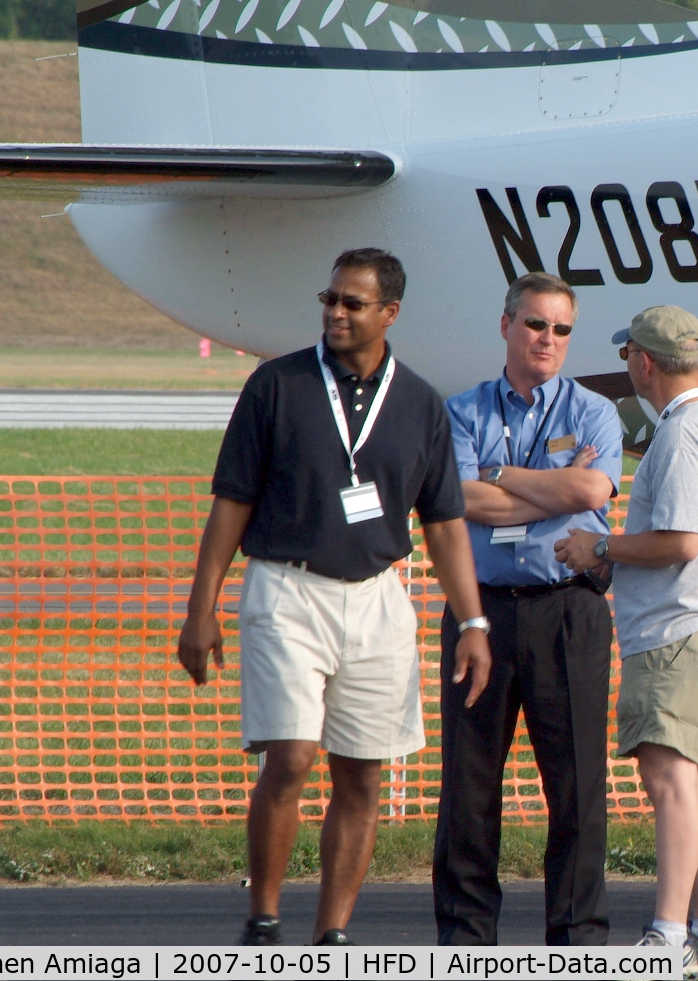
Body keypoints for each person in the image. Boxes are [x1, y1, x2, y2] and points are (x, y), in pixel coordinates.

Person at [178, 248, 492, 947]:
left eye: (353, 303)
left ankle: (332, 935)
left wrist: (472, 620)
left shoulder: (420, 402)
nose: (336, 313)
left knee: (362, 774)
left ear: (390, 314)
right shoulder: (276, 385)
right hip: (288, 588)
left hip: (379, 597)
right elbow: (231, 504)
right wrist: (200, 611)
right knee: (289, 757)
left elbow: (443, 525)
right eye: (330, 298)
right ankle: (263, 917)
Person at [436, 272, 626, 946]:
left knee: (576, 788)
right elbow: (459, 501)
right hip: (479, 611)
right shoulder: (462, 412)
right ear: (506, 325)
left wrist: (498, 475)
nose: (548, 338)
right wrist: (552, 491)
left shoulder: (595, 411)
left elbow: (591, 487)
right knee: (468, 788)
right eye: (536, 323)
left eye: (561, 328)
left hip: (566, 612)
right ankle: (465, 941)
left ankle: (577, 942)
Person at [555, 306, 698, 981]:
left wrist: (598, 546)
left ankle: (669, 935)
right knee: (694, 786)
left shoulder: (683, 434)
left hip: (675, 632)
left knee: (669, 783)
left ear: (644, 362)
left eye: (629, 354)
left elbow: (682, 541)